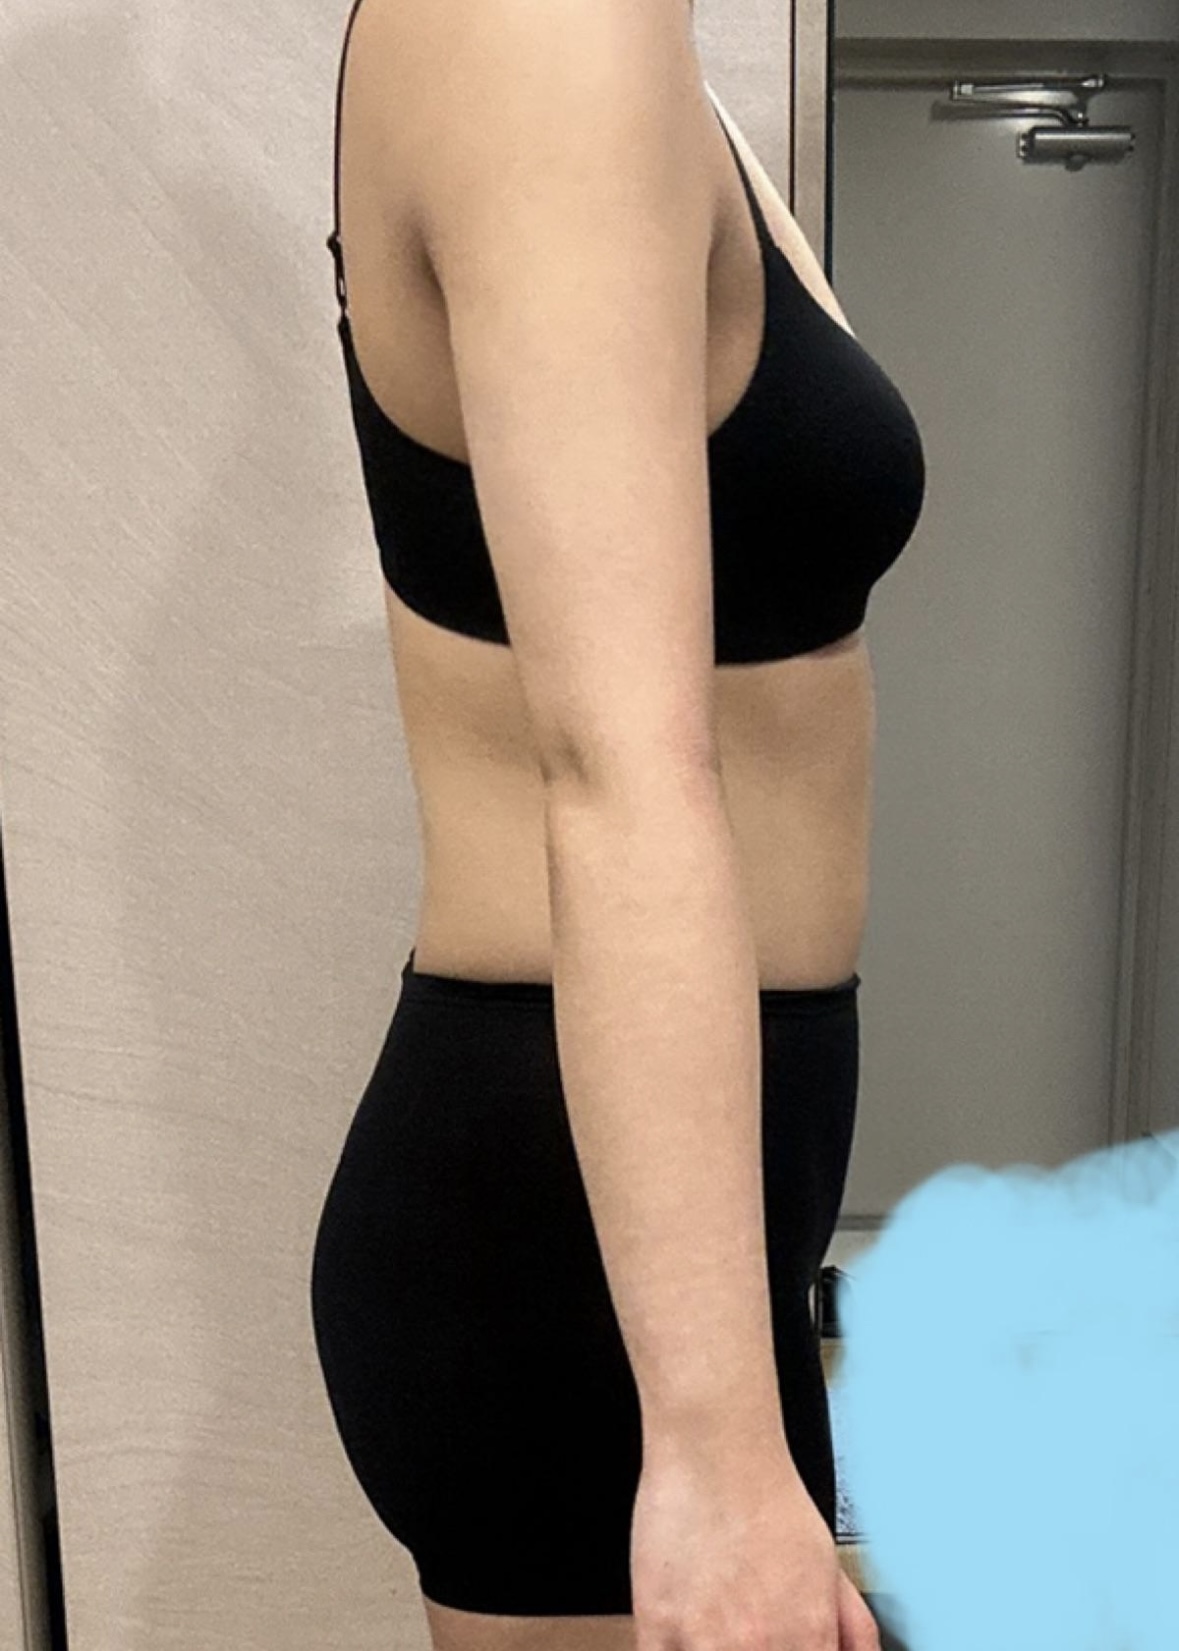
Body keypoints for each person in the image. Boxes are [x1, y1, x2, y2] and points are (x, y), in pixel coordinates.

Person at [310, 0, 925, 1646]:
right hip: (564, 1252)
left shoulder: (630, 47)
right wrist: (716, 1454)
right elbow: (619, 769)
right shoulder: (535, 30)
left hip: (662, 1217)